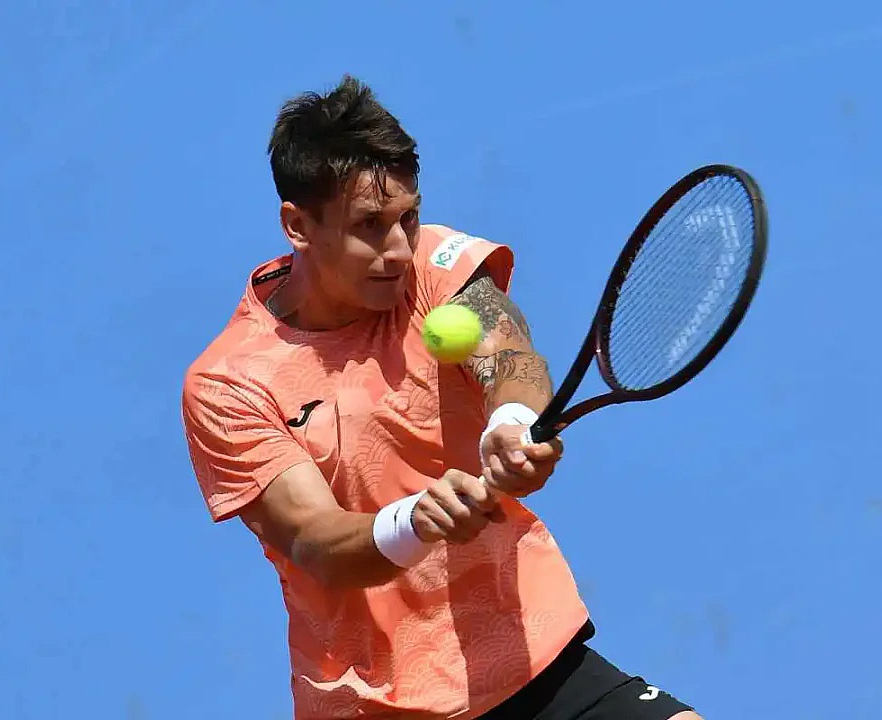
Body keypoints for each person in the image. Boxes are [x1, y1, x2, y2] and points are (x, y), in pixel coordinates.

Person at [181, 75, 702, 720]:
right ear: (298, 225)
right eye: (369, 226)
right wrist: (417, 520)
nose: (399, 248)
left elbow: (509, 358)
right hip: (379, 703)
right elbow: (315, 541)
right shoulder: (230, 383)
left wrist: (512, 421)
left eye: (408, 217)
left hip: (524, 651)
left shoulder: (435, 264)